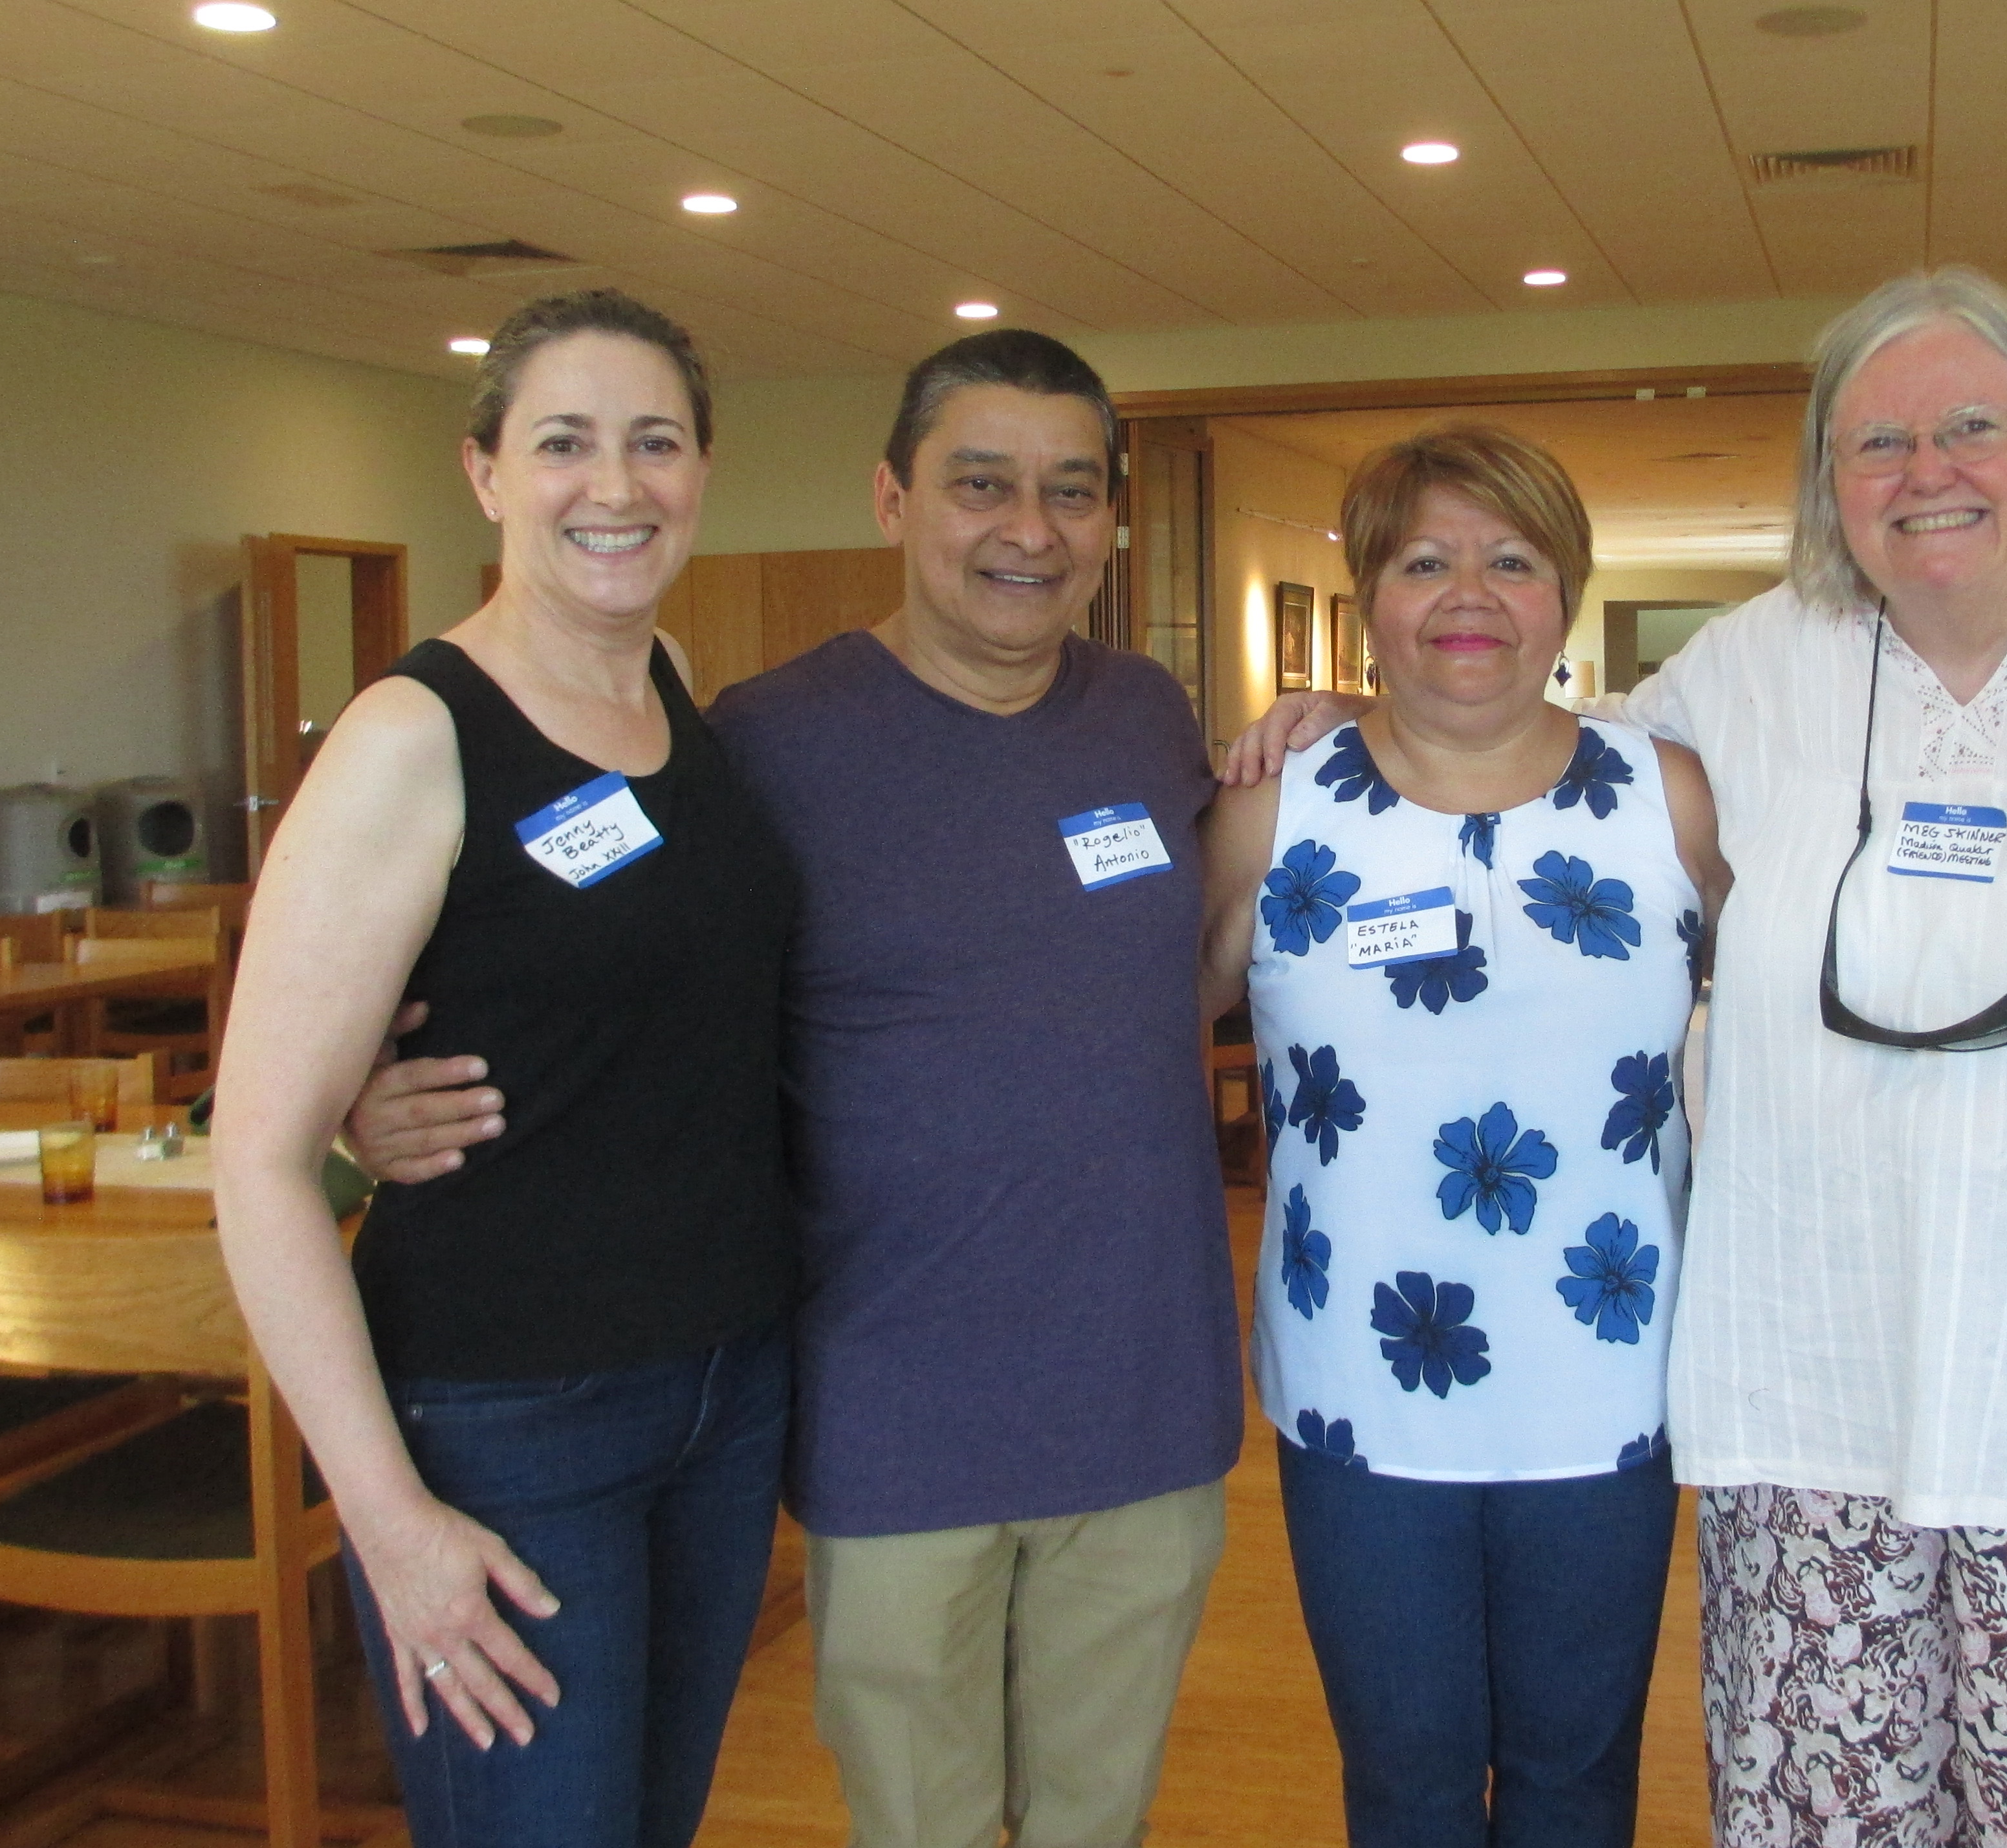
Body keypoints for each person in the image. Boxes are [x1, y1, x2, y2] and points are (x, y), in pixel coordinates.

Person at [1231, 270, 2007, 1847]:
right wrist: (1350, 714)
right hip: (1822, 1407)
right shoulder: (1767, 666)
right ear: (1831, 490)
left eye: (1970, 427)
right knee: (1829, 1805)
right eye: (1877, 444)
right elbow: (1535, 755)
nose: (1927, 471)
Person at [345, 328, 1245, 1848]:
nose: (1029, 530)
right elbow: (611, 977)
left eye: (1070, 493)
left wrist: (1306, 754)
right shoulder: (755, 746)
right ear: (893, 500)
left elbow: (1198, 971)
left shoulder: (1150, 717)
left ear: (1112, 522)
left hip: (1142, 1400)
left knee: (1100, 1823)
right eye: (981, 484)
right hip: (890, 1404)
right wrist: (354, 1099)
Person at [214, 289, 796, 1848]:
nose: (615, 487)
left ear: (700, 470)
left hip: (723, 1384)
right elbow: (256, 1159)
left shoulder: (668, 684)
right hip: (507, 1418)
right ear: (484, 472)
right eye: (564, 443)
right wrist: (385, 1520)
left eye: (654, 443)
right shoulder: (416, 732)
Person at [1200, 426, 1727, 1848]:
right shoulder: (1273, 808)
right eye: (1424, 562)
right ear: (1367, 595)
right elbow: (1131, 1041)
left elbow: (1795, 1029)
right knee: (1409, 1785)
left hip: (1608, 1388)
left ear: (1566, 593)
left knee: (1575, 1778)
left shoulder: (1665, 798)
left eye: (1512, 560)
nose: (1469, 596)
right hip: (1355, 1397)